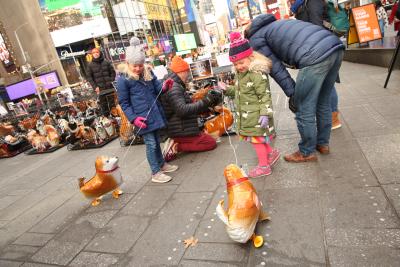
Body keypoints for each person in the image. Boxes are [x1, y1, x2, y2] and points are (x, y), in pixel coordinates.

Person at [244, 14, 345, 162]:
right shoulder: (276, 24)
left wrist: (293, 94)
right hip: (335, 47)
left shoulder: (255, 39)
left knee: (304, 107)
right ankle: (323, 144)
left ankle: (306, 151)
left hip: (314, 57)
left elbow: (276, 68)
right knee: (323, 102)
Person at [218, 32, 280, 178]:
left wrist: (265, 113)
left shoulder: (256, 73)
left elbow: (264, 94)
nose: (238, 67)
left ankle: (264, 166)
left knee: (257, 141)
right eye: (235, 64)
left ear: (250, 58)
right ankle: (271, 153)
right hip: (249, 114)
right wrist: (227, 89)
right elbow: (241, 92)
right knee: (259, 139)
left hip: (257, 115)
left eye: (241, 63)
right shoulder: (242, 74)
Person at [117, 37, 178, 184]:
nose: (138, 68)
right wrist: (134, 119)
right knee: (150, 143)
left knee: (156, 141)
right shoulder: (123, 80)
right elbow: (124, 103)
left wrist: (165, 86)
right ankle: (155, 172)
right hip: (141, 118)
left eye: (140, 65)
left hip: (154, 113)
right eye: (134, 66)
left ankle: (161, 164)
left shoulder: (147, 73)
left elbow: (158, 89)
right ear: (128, 64)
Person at [291, 0, 344, 130]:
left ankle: (333, 118)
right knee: (325, 84)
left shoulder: (312, 2)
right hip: (319, 47)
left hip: (321, 47)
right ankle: (329, 117)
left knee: (327, 84)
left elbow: (316, 26)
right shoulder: (302, 4)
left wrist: (313, 49)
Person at [160, 56, 221, 157]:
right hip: (180, 128)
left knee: (210, 136)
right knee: (210, 143)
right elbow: (182, 110)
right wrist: (206, 101)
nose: (188, 74)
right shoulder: (174, 87)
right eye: (187, 71)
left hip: (180, 126)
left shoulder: (174, 84)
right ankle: (176, 146)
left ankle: (179, 143)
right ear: (181, 71)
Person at [86, 48, 116, 116]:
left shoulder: (106, 62)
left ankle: (115, 116)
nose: (95, 54)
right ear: (92, 55)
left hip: (109, 86)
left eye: (97, 52)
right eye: (94, 53)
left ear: (100, 53)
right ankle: (107, 118)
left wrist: (111, 80)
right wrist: (95, 87)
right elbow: (89, 78)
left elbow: (113, 72)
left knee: (112, 102)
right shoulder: (90, 65)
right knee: (103, 103)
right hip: (100, 88)